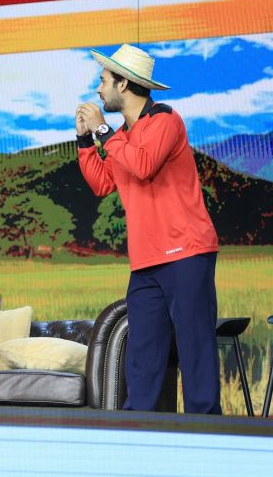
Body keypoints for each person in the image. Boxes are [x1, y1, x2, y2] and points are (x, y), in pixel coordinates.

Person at [75, 44, 221, 414]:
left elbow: (143, 164)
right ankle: (136, 432)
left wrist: (103, 130)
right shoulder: (123, 135)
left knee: (195, 353)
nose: (98, 89)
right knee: (142, 360)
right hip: (146, 262)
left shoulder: (165, 120)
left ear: (123, 84)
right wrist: (85, 141)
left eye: (103, 81)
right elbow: (102, 183)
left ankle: (208, 434)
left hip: (186, 254)